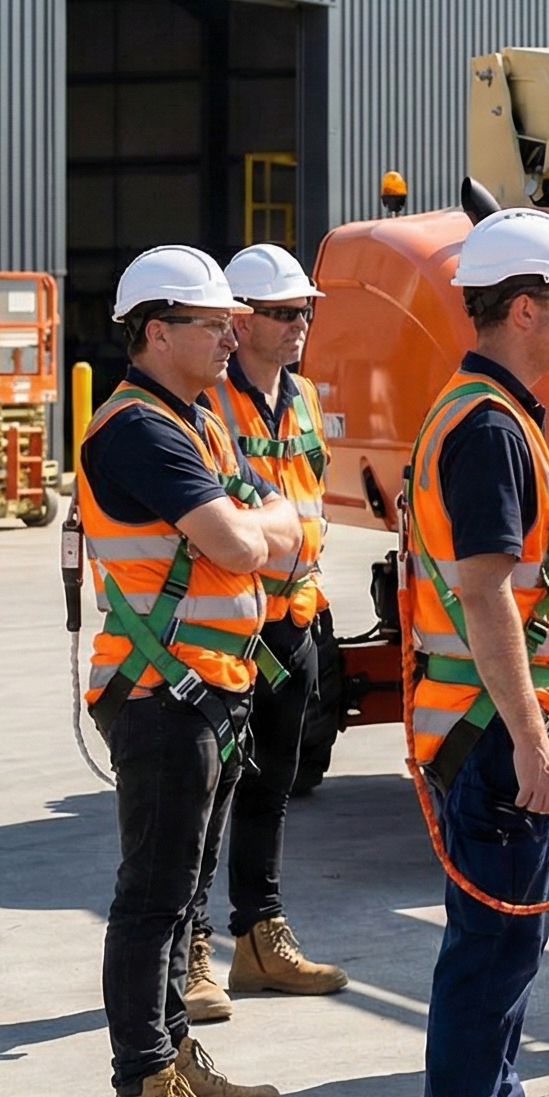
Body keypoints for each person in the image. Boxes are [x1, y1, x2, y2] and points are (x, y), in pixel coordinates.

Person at [81, 245, 299, 1097]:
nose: (232, 334)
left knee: (180, 901)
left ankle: (172, 1059)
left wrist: (264, 528)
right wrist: (261, 530)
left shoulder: (195, 420)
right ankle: (142, 1094)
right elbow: (247, 545)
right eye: (212, 324)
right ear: (155, 332)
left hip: (209, 689)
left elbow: (274, 525)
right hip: (161, 695)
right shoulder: (138, 429)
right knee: (153, 899)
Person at [403, 208, 549, 1097]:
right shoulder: (487, 428)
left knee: (505, 952)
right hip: (491, 738)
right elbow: (485, 595)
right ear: (524, 308)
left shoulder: (490, 413)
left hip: (482, 730)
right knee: (491, 960)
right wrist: (531, 742)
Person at [180, 243, 350, 1020]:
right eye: (283, 313)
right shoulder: (207, 404)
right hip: (233, 628)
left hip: (297, 621)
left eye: (304, 310)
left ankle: (260, 935)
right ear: (240, 323)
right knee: (211, 799)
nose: (299, 324)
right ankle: (194, 950)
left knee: (273, 788)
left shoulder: (307, 398)